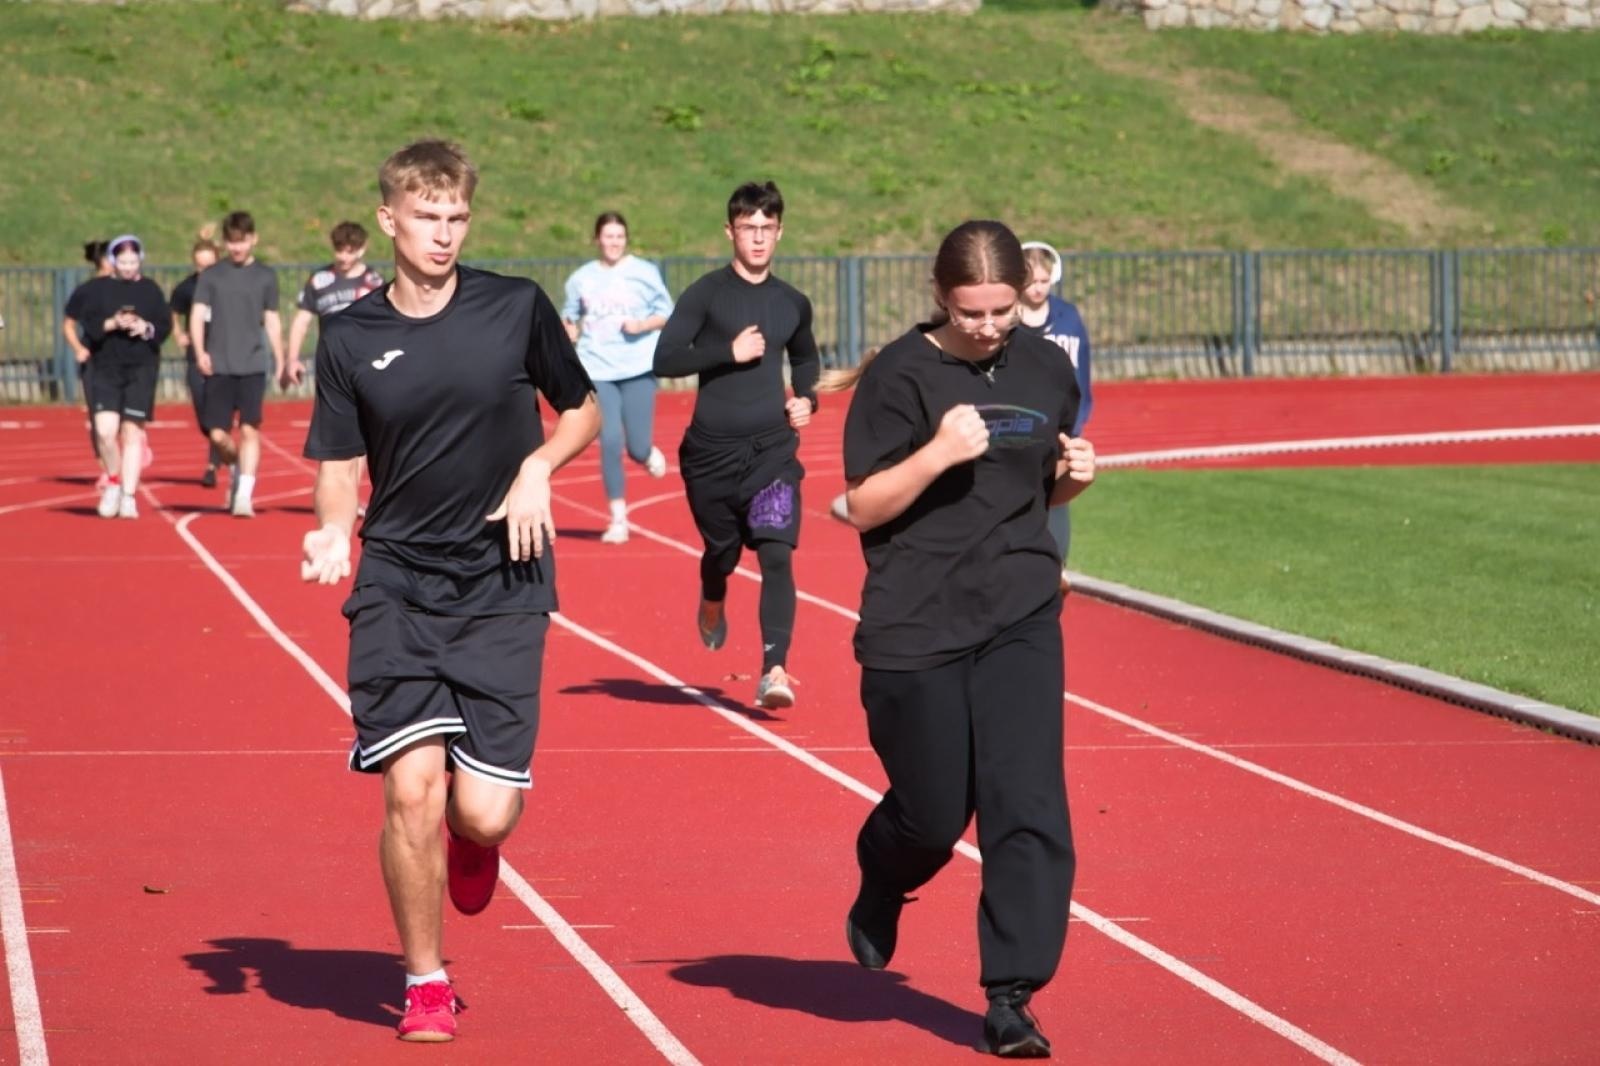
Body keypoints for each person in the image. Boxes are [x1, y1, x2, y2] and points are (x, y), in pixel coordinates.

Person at [299, 139, 599, 1044]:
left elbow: (581, 407)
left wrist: (541, 467)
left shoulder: (515, 307)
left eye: (457, 216)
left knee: (482, 810)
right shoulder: (349, 335)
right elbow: (340, 464)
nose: (443, 232)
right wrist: (325, 523)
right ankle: (425, 980)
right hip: (396, 581)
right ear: (389, 219)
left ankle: (476, 845)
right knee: (411, 791)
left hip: (504, 580)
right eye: (426, 216)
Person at [831, 220, 1096, 1058]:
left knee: (1028, 806)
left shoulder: (1049, 366)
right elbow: (861, 506)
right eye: (971, 310)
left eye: (1003, 309)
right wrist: (939, 452)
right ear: (940, 296)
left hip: (1019, 611)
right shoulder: (902, 377)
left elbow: (1033, 491)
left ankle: (1011, 995)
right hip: (918, 621)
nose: (988, 326)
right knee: (934, 817)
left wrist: (1071, 480)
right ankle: (882, 874)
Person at [653, 181, 819, 710]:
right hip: (710, 457)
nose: (757, 238)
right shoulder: (706, 294)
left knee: (776, 553)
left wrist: (807, 398)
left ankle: (775, 669)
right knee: (722, 553)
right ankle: (712, 592)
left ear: (780, 232)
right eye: (748, 228)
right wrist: (729, 350)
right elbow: (666, 358)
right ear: (730, 231)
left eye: (767, 228)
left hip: (771, 452)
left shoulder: (792, 302)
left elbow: (807, 358)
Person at [561, 211, 673, 543]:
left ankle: (647, 453)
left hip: (637, 366)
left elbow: (667, 311)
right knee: (609, 440)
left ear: (626, 240)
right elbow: (570, 314)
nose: (614, 243)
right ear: (597, 239)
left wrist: (640, 325)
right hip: (597, 369)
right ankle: (618, 519)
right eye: (608, 237)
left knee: (637, 446)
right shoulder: (580, 279)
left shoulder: (644, 272)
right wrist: (569, 328)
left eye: (619, 237)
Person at [190, 210, 285, 518]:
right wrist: (200, 350)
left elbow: (271, 319)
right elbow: (196, 314)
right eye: (231, 242)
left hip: (253, 364)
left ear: (253, 240)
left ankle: (244, 493)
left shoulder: (266, 276)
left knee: (249, 430)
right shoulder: (212, 275)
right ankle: (233, 466)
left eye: (242, 242)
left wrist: (281, 358)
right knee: (217, 434)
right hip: (219, 364)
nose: (237, 248)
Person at [73, 235, 172, 519]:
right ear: (113, 262)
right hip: (106, 367)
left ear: (140, 260)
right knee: (104, 430)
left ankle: (128, 494)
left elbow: (163, 326)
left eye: (133, 261)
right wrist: (113, 323)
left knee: (132, 433)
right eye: (123, 262)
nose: (128, 267)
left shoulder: (151, 290)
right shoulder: (98, 290)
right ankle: (113, 481)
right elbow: (89, 324)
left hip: (141, 368)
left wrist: (145, 327)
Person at [1018, 241, 1093, 595]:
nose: (1038, 288)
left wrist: (1078, 419)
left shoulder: (1067, 318)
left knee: (1058, 492)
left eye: (1044, 280)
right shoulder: (1008, 318)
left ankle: (1057, 563)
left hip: (1061, 424)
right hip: (1023, 424)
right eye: (1031, 281)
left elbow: (1082, 373)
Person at [283, 220, 386, 389]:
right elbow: (301, 322)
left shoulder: (374, 282)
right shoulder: (319, 280)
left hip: (366, 364)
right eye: (339, 251)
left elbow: (387, 325)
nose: (344, 257)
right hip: (330, 365)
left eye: (350, 252)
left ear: (362, 249)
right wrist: (293, 359)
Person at [169, 235, 224, 487]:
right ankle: (218, 441)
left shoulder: (226, 285)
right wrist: (179, 333)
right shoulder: (187, 288)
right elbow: (173, 312)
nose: (205, 271)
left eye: (209, 265)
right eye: (200, 266)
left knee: (217, 414)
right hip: (195, 355)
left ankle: (212, 466)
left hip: (224, 355)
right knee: (203, 412)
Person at [63, 239, 115, 485]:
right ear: (105, 260)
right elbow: (68, 324)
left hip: (122, 358)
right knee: (97, 414)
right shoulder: (86, 291)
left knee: (123, 415)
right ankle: (106, 465)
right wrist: (78, 348)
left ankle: (131, 450)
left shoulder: (127, 288)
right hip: (95, 358)